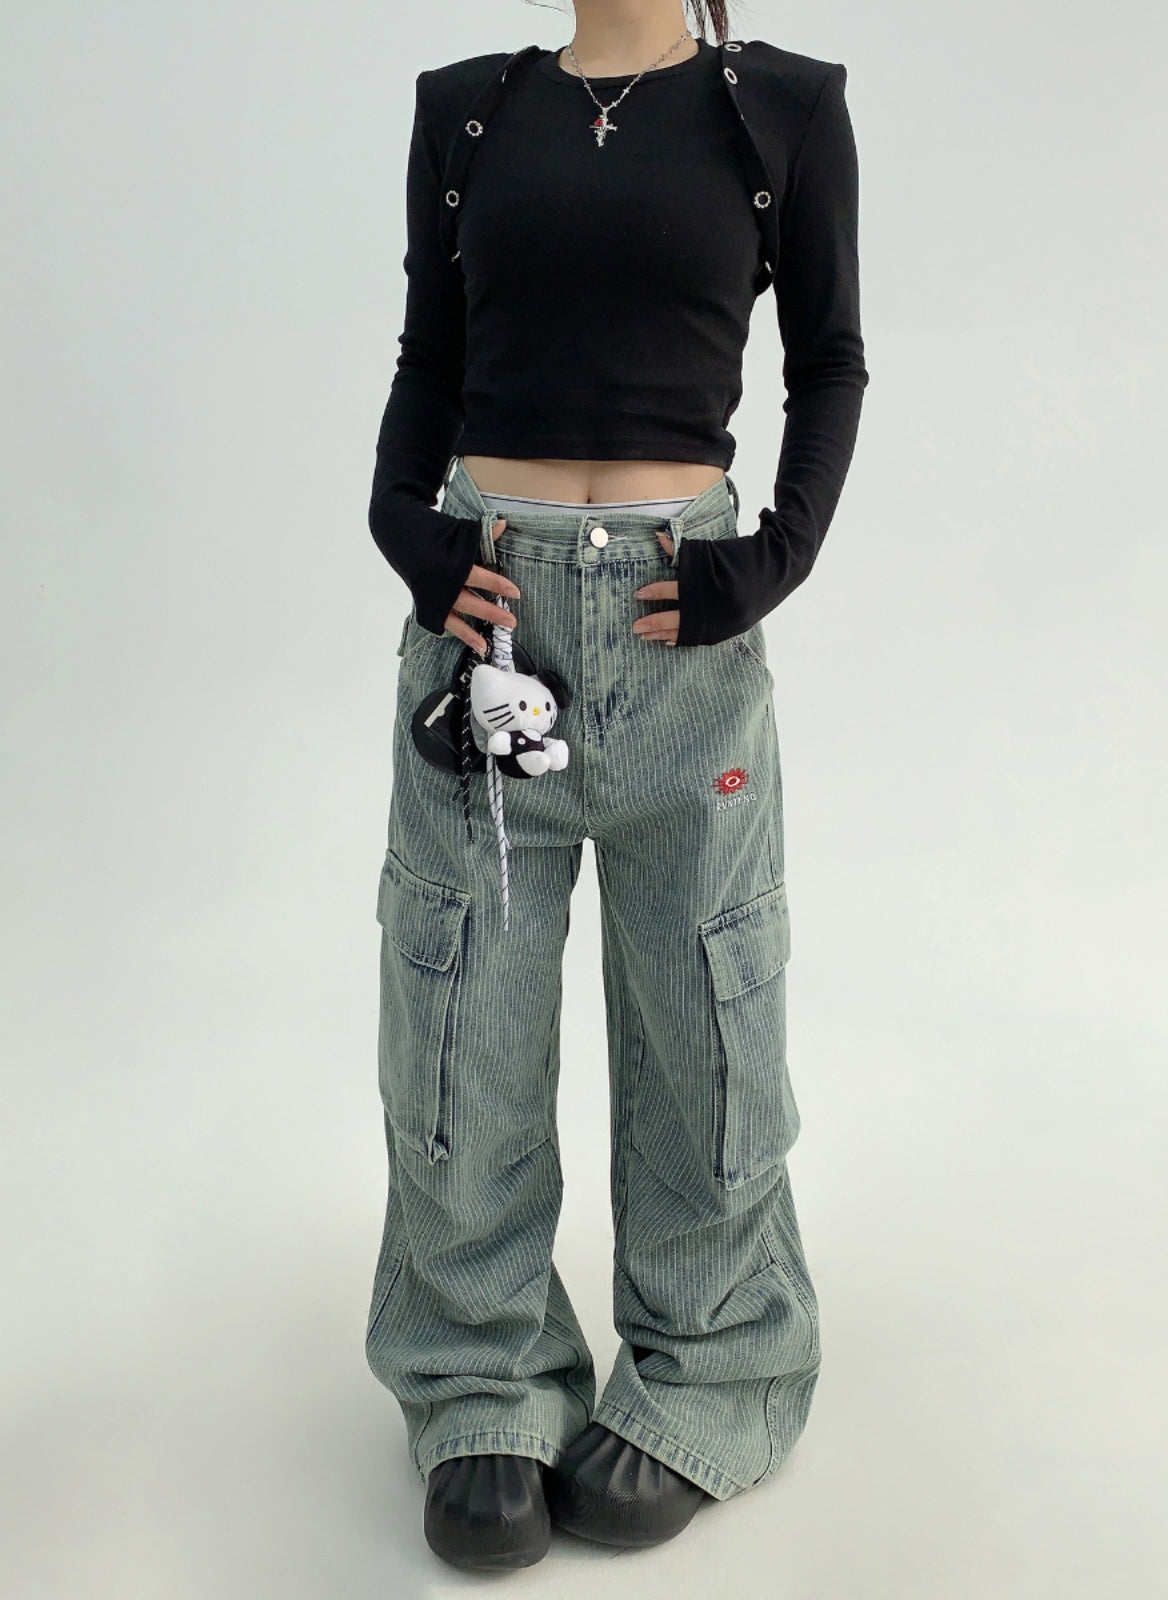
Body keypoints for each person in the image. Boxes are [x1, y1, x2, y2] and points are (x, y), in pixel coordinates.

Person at [363, 0, 868, 1572]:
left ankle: (714, 1369)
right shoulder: (466, 110)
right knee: (462, 1015)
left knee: (707, 1014)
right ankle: (481, 1381)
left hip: (679, 629)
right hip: (488, 626)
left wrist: (767, 564)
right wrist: (405, 529)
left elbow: (831, 363)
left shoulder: (781, 109)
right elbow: (429, 358)